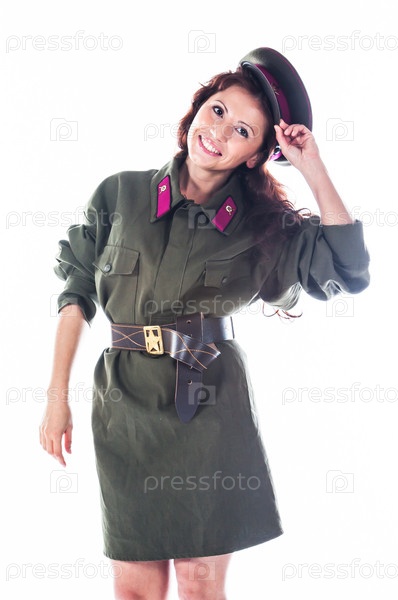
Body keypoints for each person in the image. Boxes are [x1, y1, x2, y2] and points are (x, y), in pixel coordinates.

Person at [39, 47, 370, 600]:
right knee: (136, 586)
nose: (217, 132)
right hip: (124, 405)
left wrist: (310, 167)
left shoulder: (264, 227)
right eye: (217, 110)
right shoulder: (119, 192)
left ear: (255, 155)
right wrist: (56, 398)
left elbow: (349, 269)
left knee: (198, 580)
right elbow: (74, 293)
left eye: (242, 130)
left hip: (210, 403)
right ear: (197, 107)